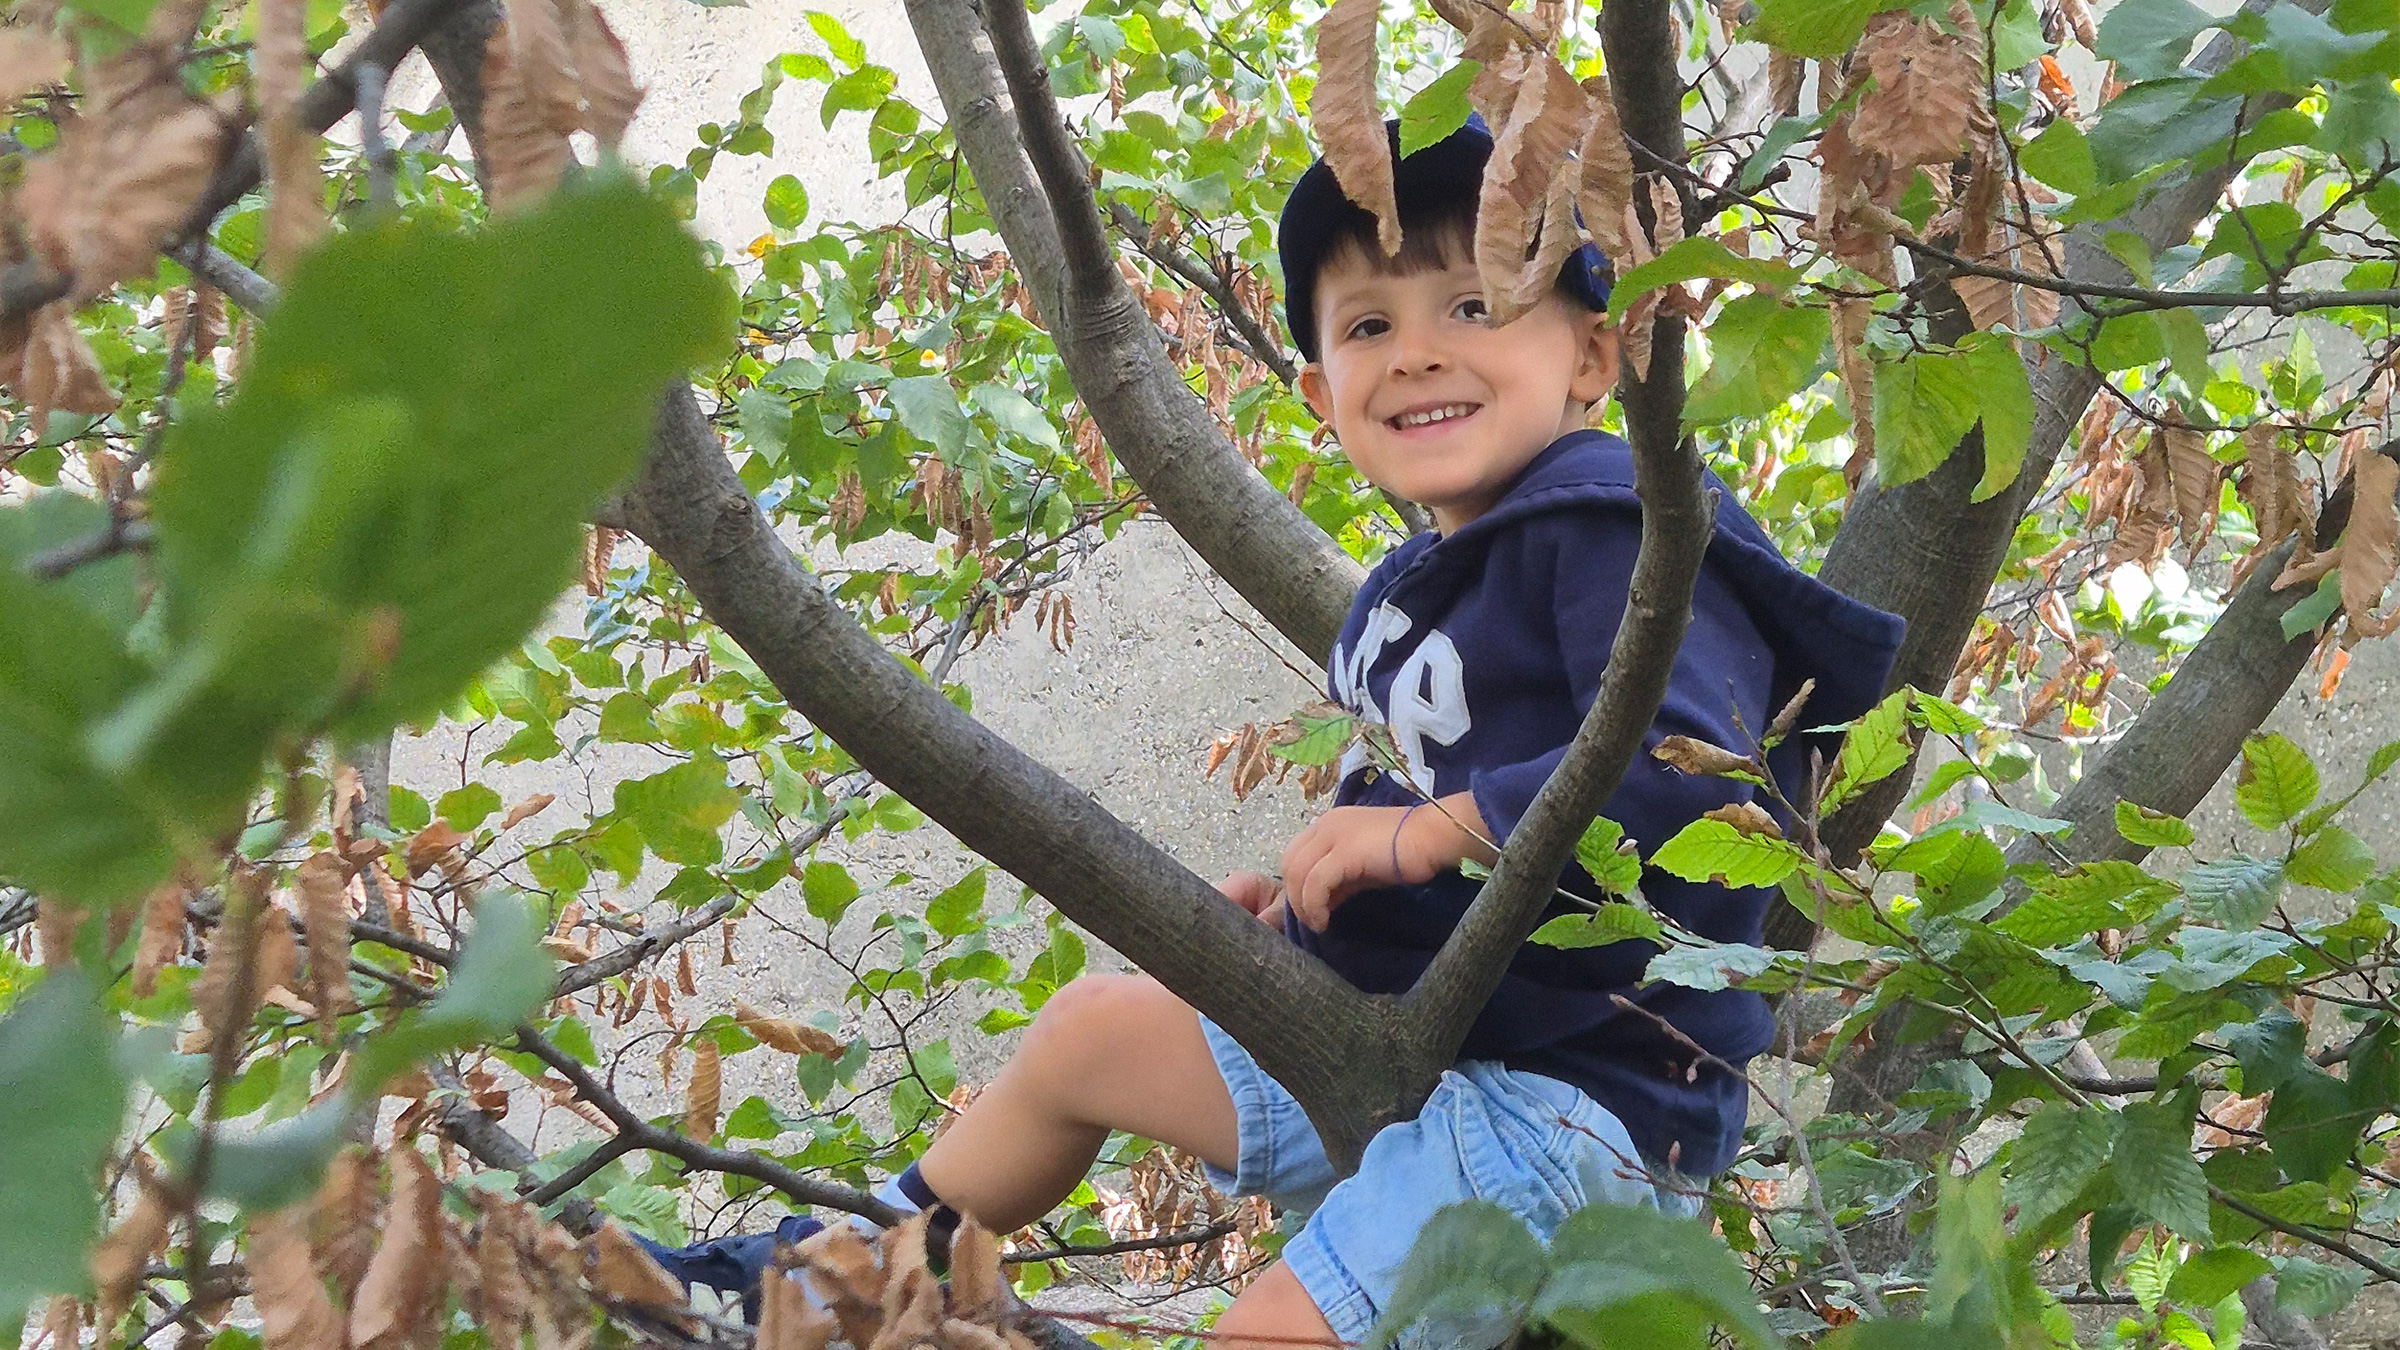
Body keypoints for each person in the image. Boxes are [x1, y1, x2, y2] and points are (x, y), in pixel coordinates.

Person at [642, 118, 1906, 1347]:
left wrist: (1425, 836)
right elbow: (1396, 801)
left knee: (1273, 1331)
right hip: (1417, 1037)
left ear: (1590, 354)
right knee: (1087, 1033)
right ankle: (832, 1286)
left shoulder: (1617, 535)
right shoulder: (1416, 597)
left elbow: (1699, 794)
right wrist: (1309, 910)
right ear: (1320, 391)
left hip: (1585, 1105)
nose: (1414, 351)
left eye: (1471, 306)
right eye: (1369, 325)